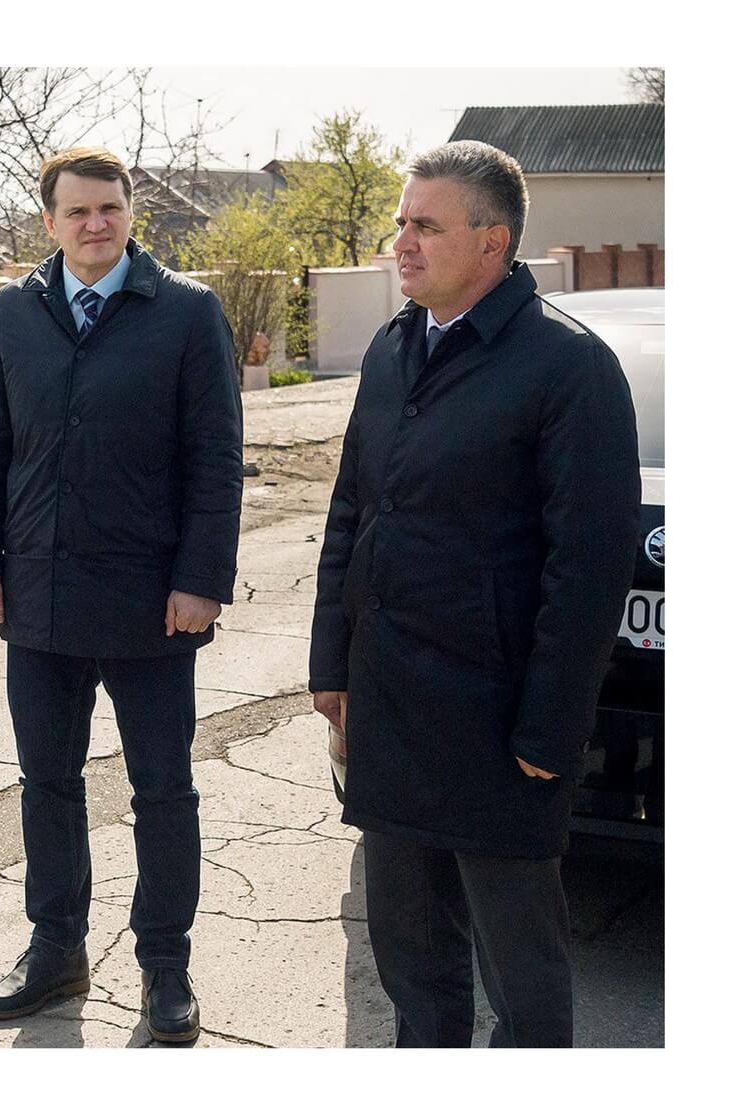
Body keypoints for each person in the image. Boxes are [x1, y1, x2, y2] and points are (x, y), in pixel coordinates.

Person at [308, 141, 640, 1047]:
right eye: (400, 223)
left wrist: (548, 732)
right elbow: (351, 512)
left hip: (496, 727)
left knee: (522, 984)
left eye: (425, 225)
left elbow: (586, 571)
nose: (401, 243)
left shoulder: (566, 367)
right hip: (389, 710)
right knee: (413, 968)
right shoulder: (392, 348)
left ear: (492, 243)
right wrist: (331, 668)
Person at [0, 146, 243, 1043]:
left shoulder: (186, 311)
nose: (95, 224)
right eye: (77, 211)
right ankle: (56, 948)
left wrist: (200, 579)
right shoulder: (15, 310)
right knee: (48, 783)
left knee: (162, 788)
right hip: (37, 595)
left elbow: (215, 456)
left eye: (109, 208)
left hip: (149, 600)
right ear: (48, 221)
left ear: (129, 214)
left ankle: (164, 963)